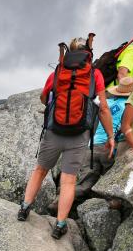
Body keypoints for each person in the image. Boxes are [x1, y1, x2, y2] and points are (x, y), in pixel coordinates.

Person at [17, 37, 116, 240]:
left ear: (70, 52)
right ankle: (60, 224)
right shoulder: (94, 73)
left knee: (40, 170)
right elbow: (104, 108)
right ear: (88, 53)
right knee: (69, 180)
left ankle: (24, 208)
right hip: (79, 134)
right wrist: (111, 135)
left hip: (55, 131)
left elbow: (44, 98)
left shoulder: (59, 70)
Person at [74, 75, 133, 204]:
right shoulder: (128, 107)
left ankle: (60, 202)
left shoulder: (106, 103)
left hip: (92, 146)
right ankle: (111, 205)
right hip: (110, 146)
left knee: (85, 182)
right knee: (110, 178)